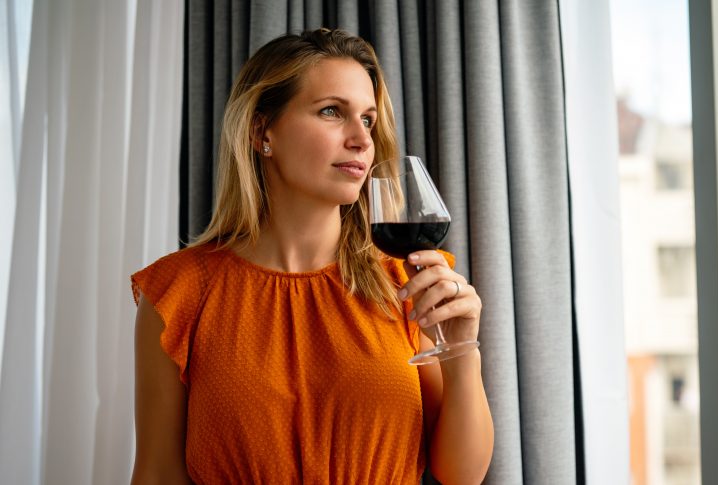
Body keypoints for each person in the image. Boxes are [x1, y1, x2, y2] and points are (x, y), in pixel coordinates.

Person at [130, 28, 493, 485]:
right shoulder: (177, 293)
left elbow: (463, 474)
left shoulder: (405, 281)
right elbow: (157, 474)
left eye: (367, 119)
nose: (362, 140)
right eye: (331, 112)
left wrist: (462, 349)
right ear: (262, 130)